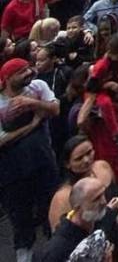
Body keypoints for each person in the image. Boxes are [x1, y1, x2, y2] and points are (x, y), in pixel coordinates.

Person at [0, 55, 60, 258]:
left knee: (50, 204)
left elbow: (54, 108)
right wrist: (31, 126)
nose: (28, 73)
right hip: (12, 170)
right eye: (21, 72)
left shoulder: (38, 87)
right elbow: (2, 139)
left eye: (28, 69)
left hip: (43, 160)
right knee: (20, 212)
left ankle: (54, 247)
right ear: (7, 78)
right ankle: (23, 251)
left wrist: (32, 103)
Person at [37, 177, 111, 262]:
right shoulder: (56, 250)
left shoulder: (99, 223)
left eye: (103, 194)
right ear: (77, 208)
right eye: (96, 199)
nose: (104, 201)